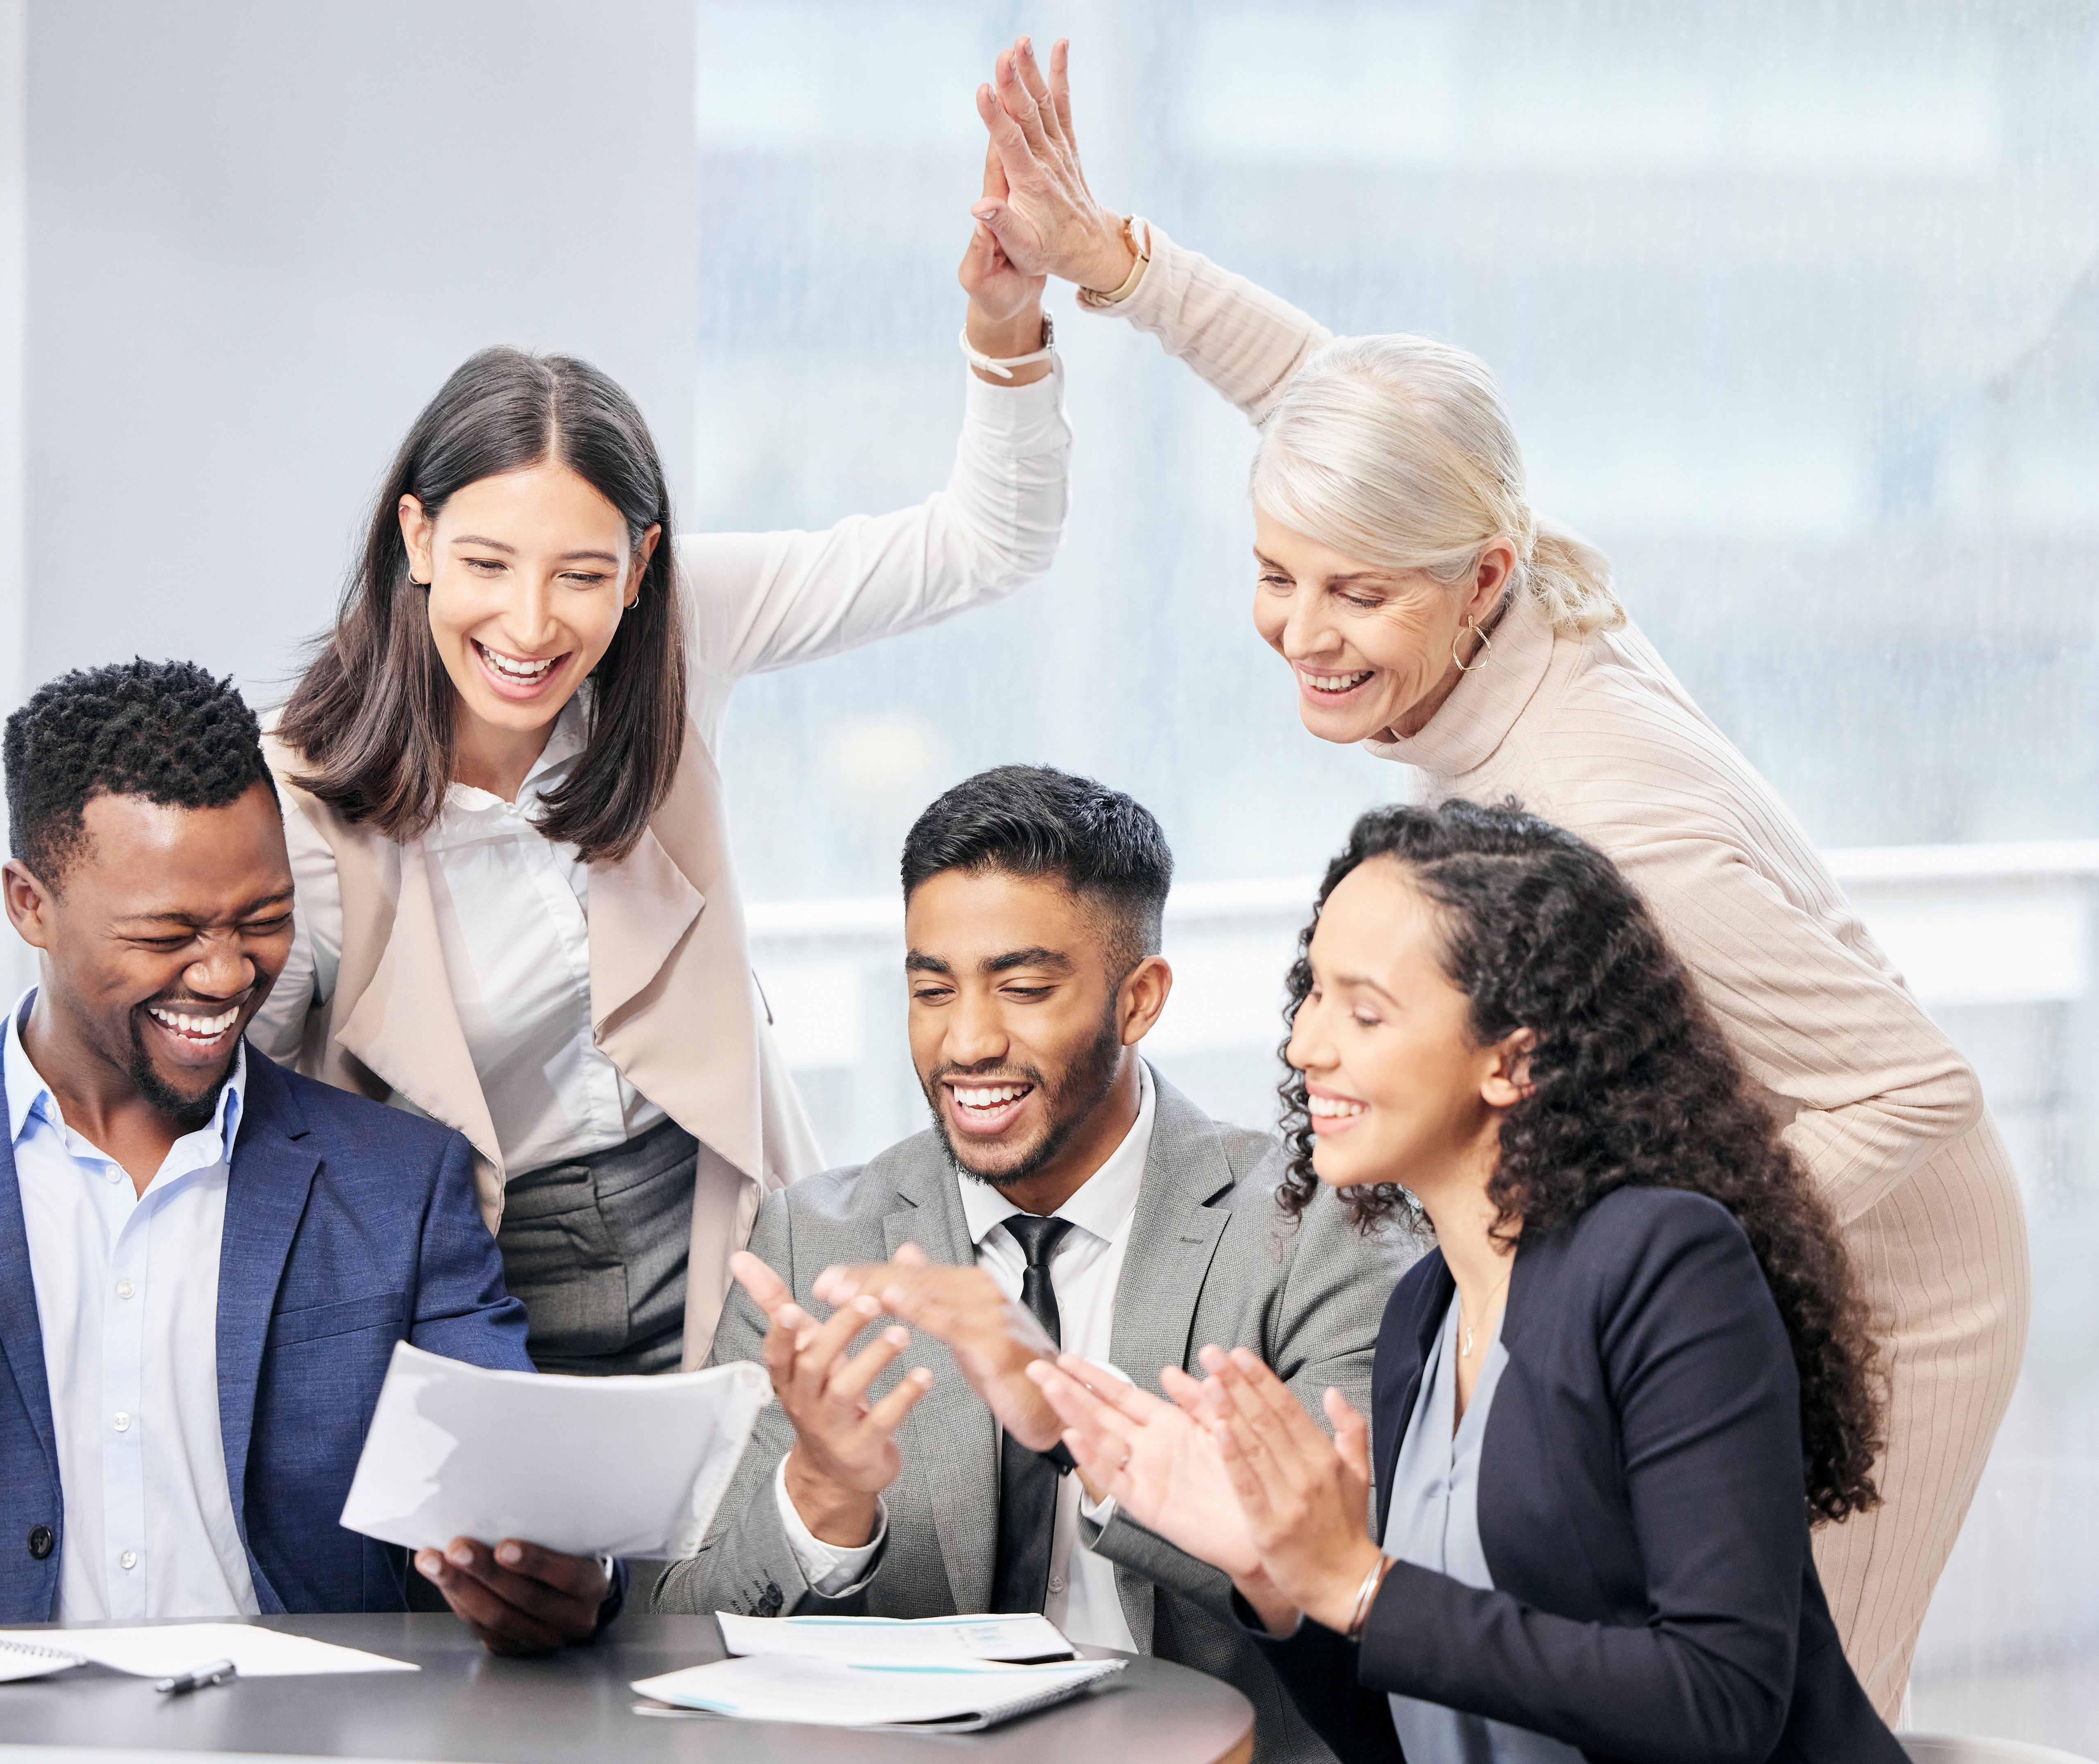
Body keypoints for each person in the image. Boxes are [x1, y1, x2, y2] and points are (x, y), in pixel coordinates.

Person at [961, 36, 2028, 1715]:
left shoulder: (1614, 806)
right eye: (1269, 575)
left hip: (1883, 1257)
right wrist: (1117, 267)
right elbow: (1334, 398)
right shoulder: (1466, 564)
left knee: (1757, 1712)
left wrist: (1629, 1291)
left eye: (1352, 597)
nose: (1299, 637)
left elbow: (1913, 1091)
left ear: (1472, 576)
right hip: (1676, 1189)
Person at [250, 166, 1073, 1381]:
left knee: (746, 1558)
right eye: (486, 564)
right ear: (417, 540)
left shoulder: (680, 628)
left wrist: (1005, 332)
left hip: (717, 1221)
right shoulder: (303, 803)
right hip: (466, 1277)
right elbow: (241, 1107)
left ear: (639, 566)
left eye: (581, 575)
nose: (530, 626)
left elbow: (986, 546)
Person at [0, 662, 605, 1653]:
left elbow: (520, 1512)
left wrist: (557, 1568)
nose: (228, 975)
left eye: (263, 921)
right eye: (167, 934)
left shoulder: (401, 1183)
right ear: (29, 906)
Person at [1032, 798, 1906, 1764]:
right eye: (1311, 995)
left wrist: (1360, 1584)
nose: (1305, 1046)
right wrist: (1279, 1579)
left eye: (1362, 1011)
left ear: (1511, 1059)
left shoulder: (1662, 1263)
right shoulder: (1422, 1313)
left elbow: (1718, 1704)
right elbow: (1404, 1736)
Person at [651, 766, 1411, 1764]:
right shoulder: (810, 1241)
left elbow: (1348, 1590)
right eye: (931, 991)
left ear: (1138, 1000)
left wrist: (1071, 1427)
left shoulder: (1318, 1228)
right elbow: (675, 1623)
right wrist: (822, 1496)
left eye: (1022, 989)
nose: (966, 1042)